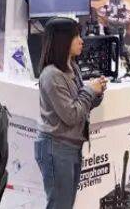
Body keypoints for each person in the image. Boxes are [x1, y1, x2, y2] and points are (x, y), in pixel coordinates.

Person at [35, 17, 107, 209]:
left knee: (65, 204)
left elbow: (81, 107)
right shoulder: (52, 75)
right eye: (76, 36)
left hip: (70, 147)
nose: (81, 41)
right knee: (60, 204)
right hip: (56, 147)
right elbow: (71, 115)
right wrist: (90, 91)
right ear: (62, 40)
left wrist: (97, 93)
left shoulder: (72, 67)